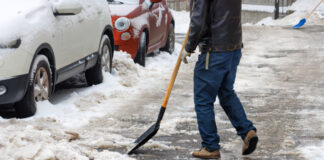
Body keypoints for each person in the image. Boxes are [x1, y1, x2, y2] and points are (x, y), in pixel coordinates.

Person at [182, 0, 258, 159]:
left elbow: (198, 19)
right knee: (226, 93)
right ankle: (247, 131)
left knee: (203, 99)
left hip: (214, 51)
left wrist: (189, 47)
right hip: (233, 48)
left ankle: (210, 147)